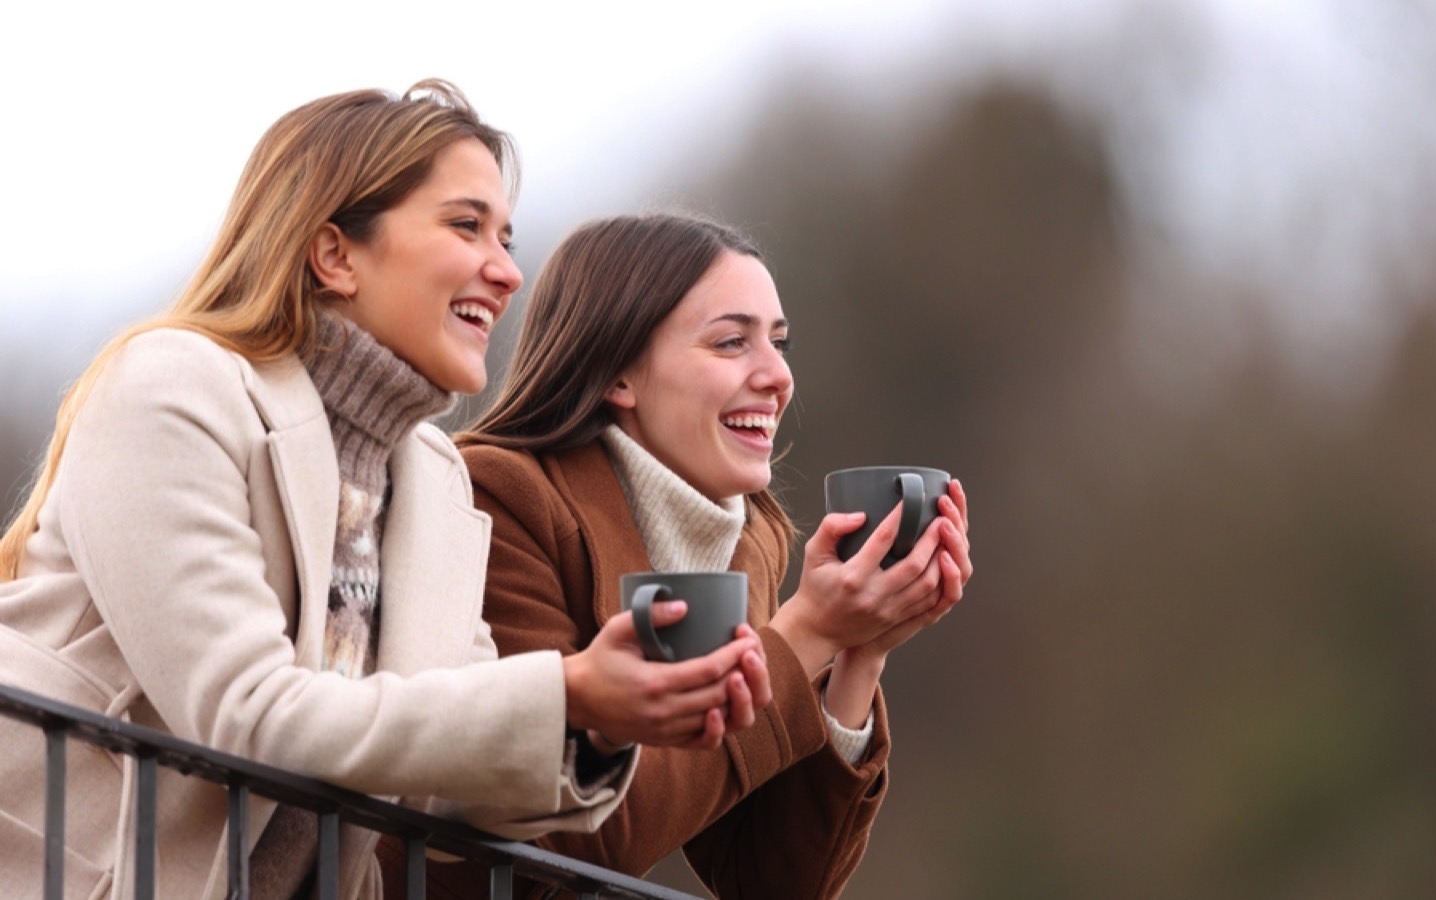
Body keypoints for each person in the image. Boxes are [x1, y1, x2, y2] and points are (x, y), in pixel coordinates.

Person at [0, 85, 768, 900]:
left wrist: (593, 721)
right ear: (335, 254)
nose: (507, 271)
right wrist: (567, 688)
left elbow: (451, 781)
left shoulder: (432, 480)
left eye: (506, 236)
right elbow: (247, 717)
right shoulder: (173, 386)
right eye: (466, 225)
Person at [383, 212, 972, 899]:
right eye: (731, 343)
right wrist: (808, 631)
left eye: (779, 344)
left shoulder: (745, 544)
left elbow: (769, 882)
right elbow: (574, 838)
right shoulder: (497, 498)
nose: (778, 376)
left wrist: (858, 656)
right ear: (620, 375)